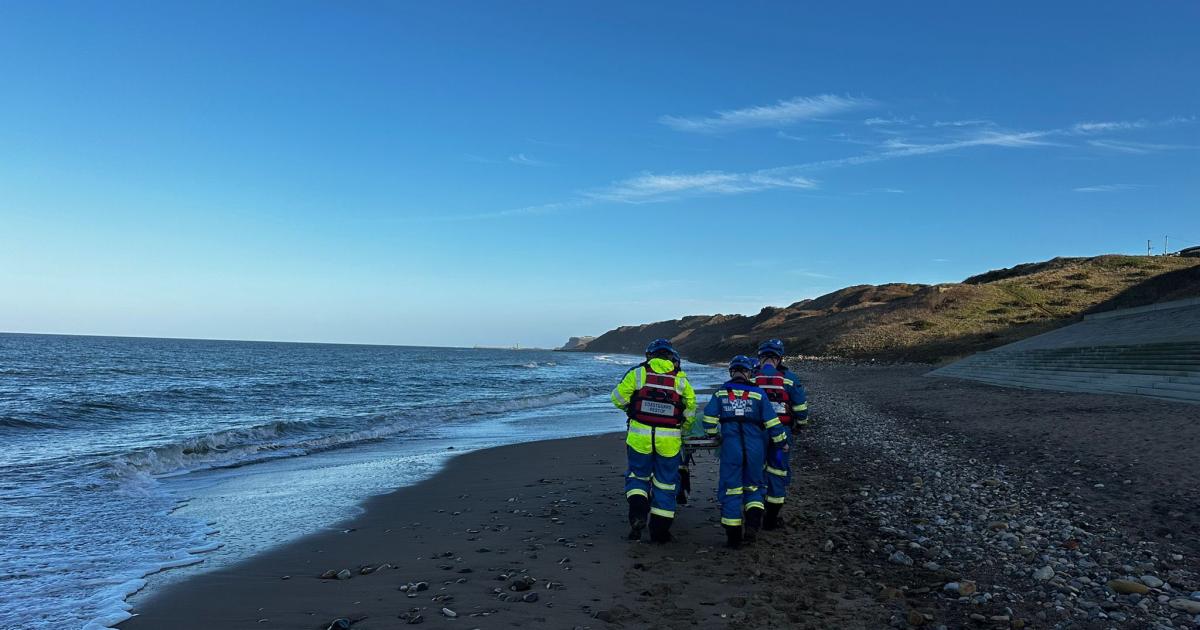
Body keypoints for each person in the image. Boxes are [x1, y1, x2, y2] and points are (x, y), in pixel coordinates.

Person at [610, 338, 697, 542]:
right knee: (666, 483)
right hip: (669, 441)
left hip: (639, 437)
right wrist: (682, 428)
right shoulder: (681, 380)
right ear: (671, 356)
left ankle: (639, 515)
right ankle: (660, 531)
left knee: (637, 477)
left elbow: (617, 398)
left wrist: (631, 411)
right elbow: (691, 409)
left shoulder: (637, 373)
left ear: (649, 355)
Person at [702, 355, 787, 548]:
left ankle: (733, 539)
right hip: (755, 447)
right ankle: (752, 529)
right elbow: (773, 422)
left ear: (732, 371)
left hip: (731, 447)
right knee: (755, 487)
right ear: (749, 373)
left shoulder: (721, 393)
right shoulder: (758, 394)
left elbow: (708, 418)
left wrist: (714, 435)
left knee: (731, 489)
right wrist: (781, 442)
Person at [753, 338, 809, 529]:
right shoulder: (790, 379)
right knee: (777, 471)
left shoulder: (752, 378)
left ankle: (753, 513)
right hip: (782, 434)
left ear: (760, 357)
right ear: (780, 358)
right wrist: (801, 424)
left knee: (756, 471)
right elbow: (800, 407)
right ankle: (771, 519)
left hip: (756, 433)